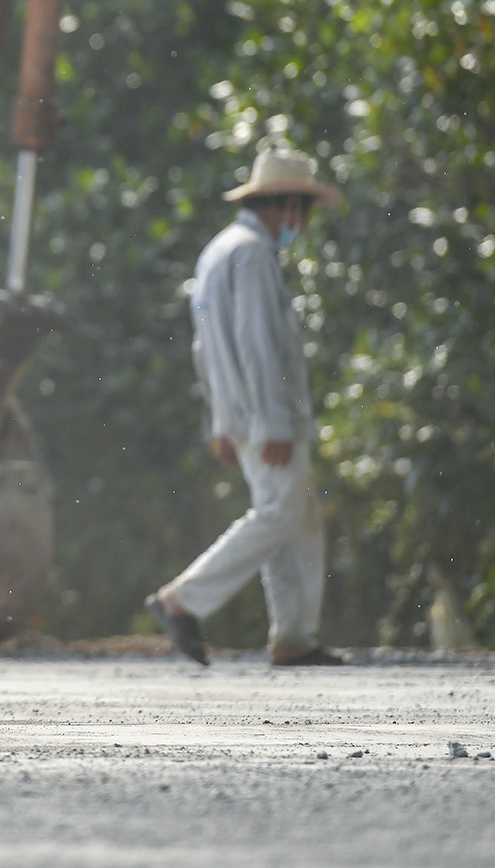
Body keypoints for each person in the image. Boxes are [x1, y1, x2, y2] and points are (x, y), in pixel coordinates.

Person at [147, 147, 345, 667]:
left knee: (295, 518)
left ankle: (294, 636)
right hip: (264, 415)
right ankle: (183, 600)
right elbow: (257, 342)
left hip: (241, 412)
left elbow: (205, 349)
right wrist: (272, 421)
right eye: (303, 211)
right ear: (287, 207)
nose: (302, 224)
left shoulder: (218, 250)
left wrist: (223, 422)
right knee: (279, 514)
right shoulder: (253, 254)